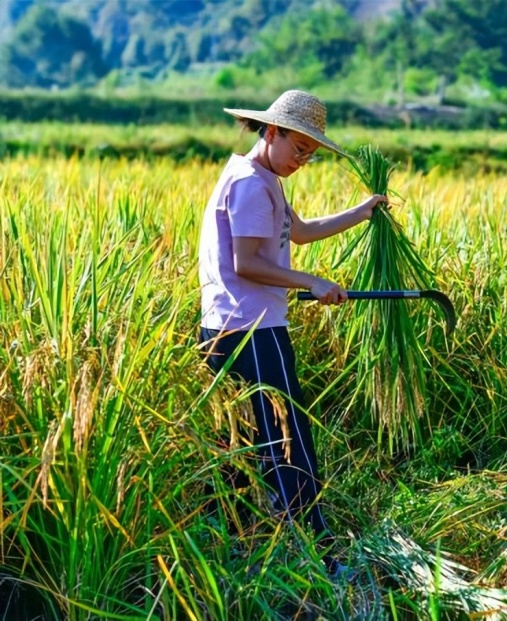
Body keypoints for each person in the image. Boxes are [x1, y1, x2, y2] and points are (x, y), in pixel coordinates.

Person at [197, 90, 384, 575]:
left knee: (239, 442)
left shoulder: (265, 178)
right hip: (251, 331)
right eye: (299, 148)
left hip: (233, 327)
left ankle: (233, 551)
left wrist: (360, 213)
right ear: (272, 131)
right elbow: (248, 262)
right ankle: (322, 558)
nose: (303, 160)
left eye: (311, 154)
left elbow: (295, 234)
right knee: (287, 440)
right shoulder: (250, 184)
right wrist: (312, 282)